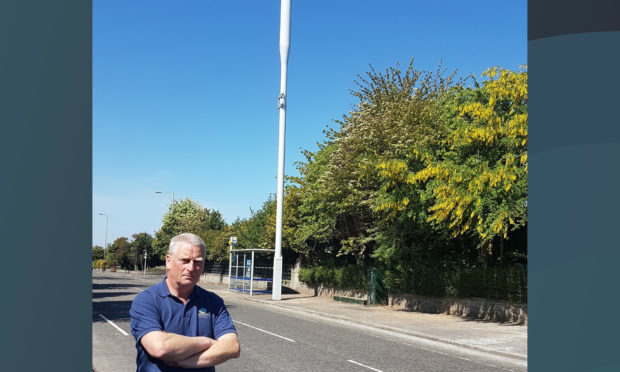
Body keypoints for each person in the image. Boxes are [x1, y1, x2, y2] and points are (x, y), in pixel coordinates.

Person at [130, 233, 240, 371]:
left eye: (198, 262)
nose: (191, 268)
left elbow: (232, 347)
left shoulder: (214, 302)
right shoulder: (147, 300)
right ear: (168, 261)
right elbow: (159, 347)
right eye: (185, 260)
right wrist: (207, 342)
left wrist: (185, 362)